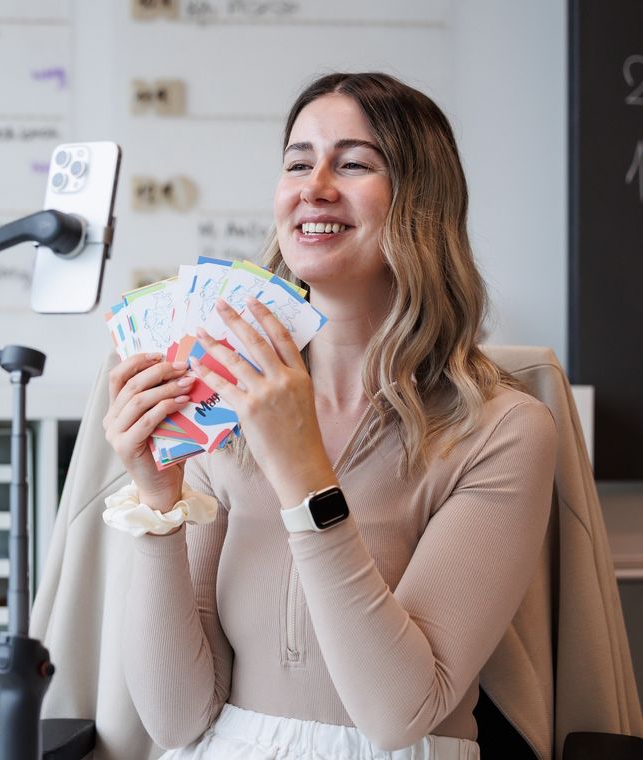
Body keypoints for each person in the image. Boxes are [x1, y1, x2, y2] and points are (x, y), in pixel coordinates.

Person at [100, 72, 556, 760]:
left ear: (420, 201)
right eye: (297, 162)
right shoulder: (224, 410)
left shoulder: (500, 429)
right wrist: (160, 507)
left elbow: (401, 713)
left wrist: (302, 469)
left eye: (352, 163)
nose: (312, 187)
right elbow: (177, 719)